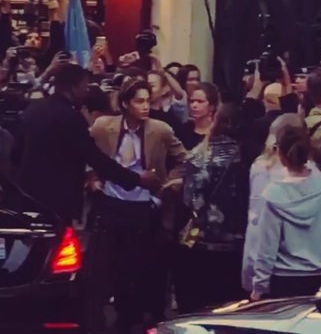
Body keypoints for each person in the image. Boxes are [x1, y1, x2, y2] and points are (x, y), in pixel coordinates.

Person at [89, 79, 187, 332]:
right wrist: (92, 178)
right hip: (112, 202)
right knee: (116, 265)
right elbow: (88, 154)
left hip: (145, 204)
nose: (145, 106)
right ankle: (123, 315)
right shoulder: (104, 127)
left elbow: (184, 159)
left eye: (147, 101)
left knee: (144, 264)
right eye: (139, 101)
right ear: (125, 104)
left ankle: (147, 314)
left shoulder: (160, 129)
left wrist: (170, 184)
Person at [17, 64, 158, 223]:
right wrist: (135, 179)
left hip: (27, 194)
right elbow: (94, 157)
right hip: (58, 199)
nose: (87, 91)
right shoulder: (70, 117)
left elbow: (16, 152)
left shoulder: (33, 109)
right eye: (84, 87)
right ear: (73, 87)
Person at [250, 117, 321, 300]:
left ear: (281, 155)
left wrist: (259, 286)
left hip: (285, 277)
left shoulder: (272, 194)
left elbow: (267, 246)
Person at [175, 102, 249, 313]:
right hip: (239, 241)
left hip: (204, 239)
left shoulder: (198, 156)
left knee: (203, 303)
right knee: (232, 305)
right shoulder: (251, 156)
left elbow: (190, 200)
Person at [242, 114, 290, 293]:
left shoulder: (262, 167)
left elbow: (257, 219)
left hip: (276, 265)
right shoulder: (315, 171)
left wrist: (253, 274)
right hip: (311, 265)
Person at [176, 82, 219, 151]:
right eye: (192, 101)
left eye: (200, 101)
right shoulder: (183, 129)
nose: (194, 105)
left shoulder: (219, 132)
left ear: (212, 106)